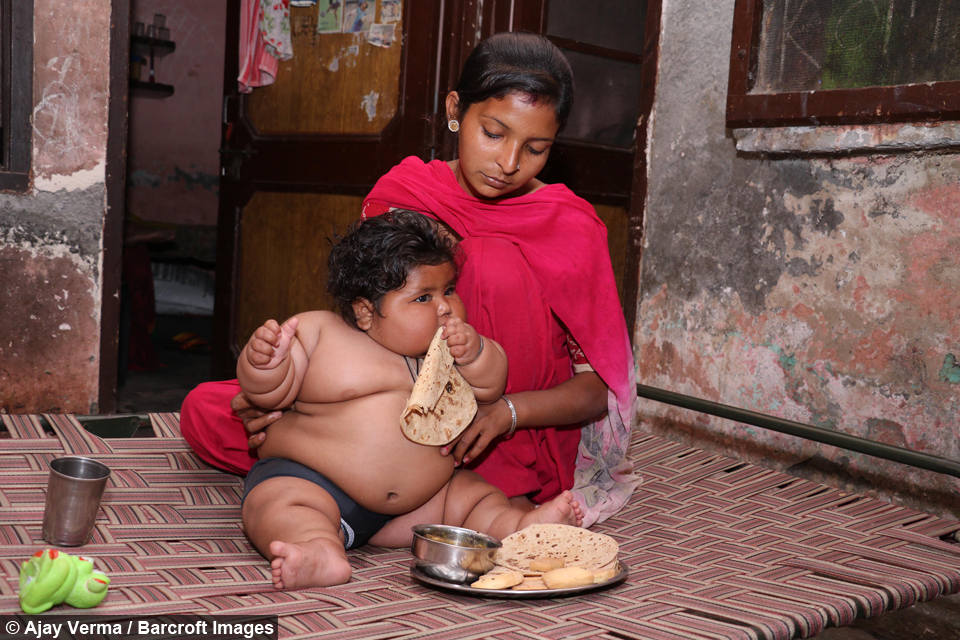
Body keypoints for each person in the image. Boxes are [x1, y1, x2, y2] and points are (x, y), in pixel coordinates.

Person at [180, 31, 638, 527]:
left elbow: (595, 391)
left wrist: (504, 413)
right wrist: (286, 395)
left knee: (492, 268)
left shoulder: (570, 225)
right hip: (392, 405)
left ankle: (379, 483)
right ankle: (345, 463)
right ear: (456, 109)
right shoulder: (405, 194)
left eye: (536, 148)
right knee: (209, 407)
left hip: (511, 425)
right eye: (494, 133)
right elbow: (366, 327)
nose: (509, 163)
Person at [239, 210, 582, 589]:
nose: (444, 307)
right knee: (274, 502)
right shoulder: (322, 334)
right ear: (366, 311)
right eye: (423, 297)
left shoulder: (451, 350)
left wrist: (477, 353)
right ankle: (318, 548)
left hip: (419, 506)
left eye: (449, 290)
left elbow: (491, 386)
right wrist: (264, 362)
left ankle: (520, 527)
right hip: (317, 485)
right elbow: (269, 393)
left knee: (473, 495)